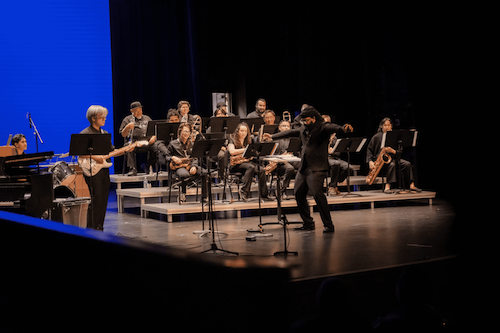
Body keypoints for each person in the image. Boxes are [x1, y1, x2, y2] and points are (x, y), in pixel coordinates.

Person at [263, 106, 352, 233]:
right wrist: (272, 137)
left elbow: (336, 128)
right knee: (299, 194)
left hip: (317, 168)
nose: (304, 122)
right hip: (304, 167)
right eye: (302, 120)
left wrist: (344, 129)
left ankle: (328, 224)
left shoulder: (323, 127)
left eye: (306, 120)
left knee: (317, 194)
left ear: (313, 118)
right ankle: (308, 223)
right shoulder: (304, 128)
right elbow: (290, 132)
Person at [79, 105, 133, 231]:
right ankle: (91, 228)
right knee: (96, 199)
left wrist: (126, 150)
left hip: (104, 170)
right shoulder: (85, 133)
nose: (104, 119)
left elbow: (112, 151)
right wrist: (94, 157)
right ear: (93, 118)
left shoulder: (104, 133)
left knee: (103, 200)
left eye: (105, 117)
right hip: (92, 170)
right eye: (101, 117)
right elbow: (80, 153)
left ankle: (99, 227)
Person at [366, 117, 421, 193]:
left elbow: (400, 151)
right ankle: (387, 187)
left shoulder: (395, 137)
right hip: (381, 163)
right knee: (391, 165)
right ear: (381, 126)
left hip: (394, 159)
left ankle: (412, 185)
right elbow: (369, 150)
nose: (387, 127)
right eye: (385, 125)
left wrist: (393, 151)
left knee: (407, 164)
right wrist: (370, 161)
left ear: (391, 126)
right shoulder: (377, 136)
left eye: (388, 125)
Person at [227, 122, 272, 202]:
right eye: (241, 131)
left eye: (245, 131)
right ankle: (244, 192)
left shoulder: (248, 141)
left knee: (261, 169)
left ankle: (264, 195)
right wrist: (245, 150)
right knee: (250, 167)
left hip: (246, 163)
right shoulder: (232, 140)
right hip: (234, 165)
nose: (243, 133)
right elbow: (232, 151)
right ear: (238, 131)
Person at [161, 123, 201, 203]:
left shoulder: (192, 144)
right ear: (180, 132)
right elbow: (166, 157)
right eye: (185, 131)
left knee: (205, 173)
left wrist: (194, 166)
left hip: (190, 165)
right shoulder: (173, 144)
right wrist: (173, 157)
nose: (187, 134)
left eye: (188, 132)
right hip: (179, 167)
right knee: (184, 175)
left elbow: (195, 158)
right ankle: (183, 193)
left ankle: (204, 197)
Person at [118, 101, 157, 176]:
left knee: (158, 147)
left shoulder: (147, 118)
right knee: (128, 146)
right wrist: (127, 127)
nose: (139, 112)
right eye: (136, 110)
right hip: (133, 142)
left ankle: (148, 164)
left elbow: (154, 130)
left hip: (147, 142)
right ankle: (132, 169)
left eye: (140, 110)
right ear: (131, 111)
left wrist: (153, 137)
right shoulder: (127, 119)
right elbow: (123, 134)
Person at [270, 120, 299, 199]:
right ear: (279, 128)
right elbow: (271, 155)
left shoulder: (293, 139)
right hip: (279, 162)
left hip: (291, 159)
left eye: (287, 126)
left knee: (304, 165)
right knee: (290, 168)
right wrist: (282, 156)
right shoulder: (274, 139)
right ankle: (282, 189)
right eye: (284, 126)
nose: (286, 127)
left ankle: (302, 190)